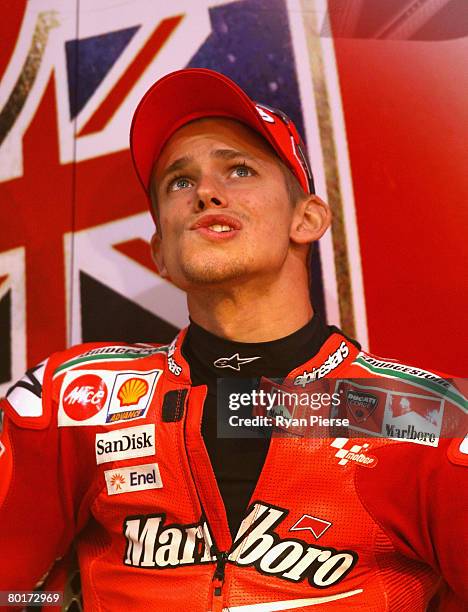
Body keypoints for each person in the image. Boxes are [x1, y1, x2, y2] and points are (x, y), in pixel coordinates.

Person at [0, 68, 466, 611]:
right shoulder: (74, 399)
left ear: (307, 218)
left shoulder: (420, 416)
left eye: (239, 170)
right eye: (179, 182)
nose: (205, 194)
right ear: (160, 253)